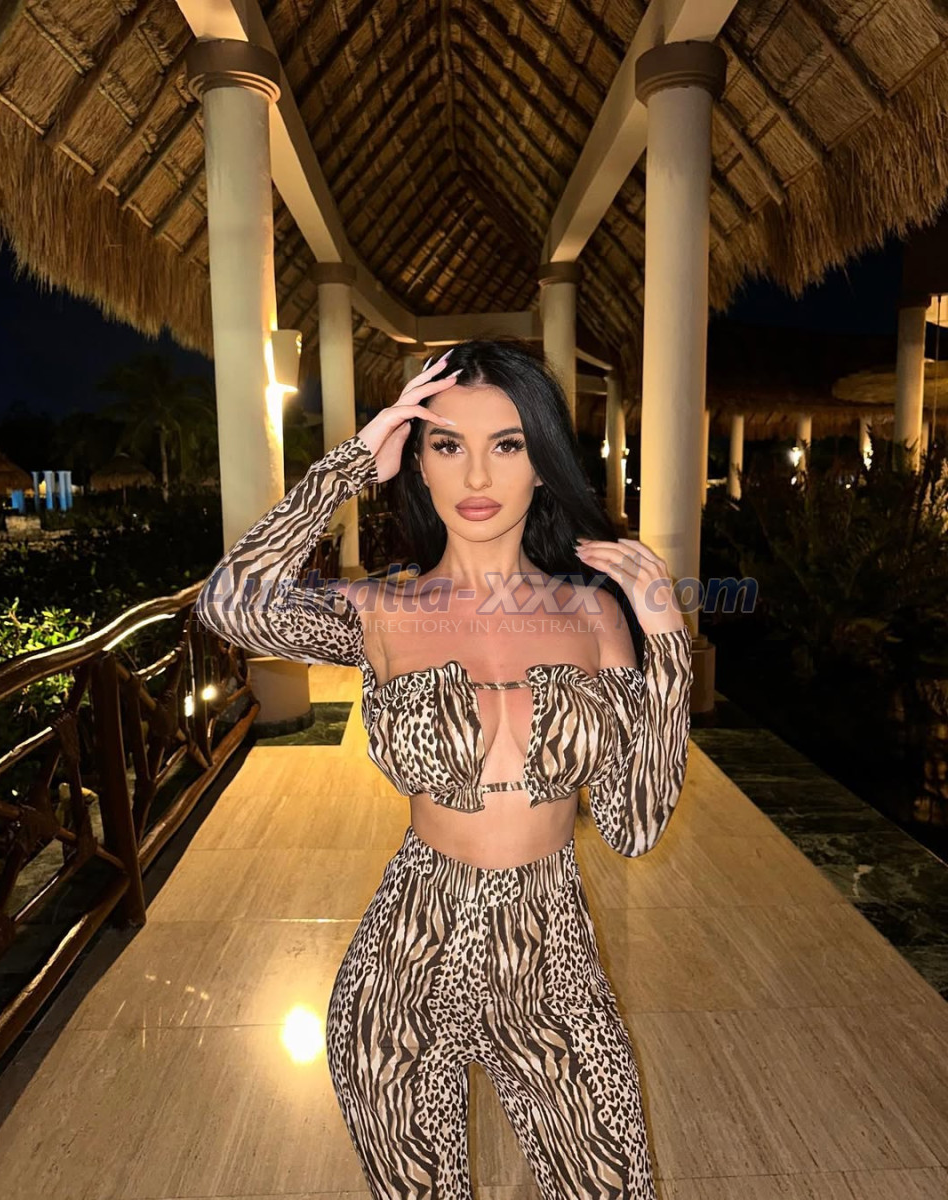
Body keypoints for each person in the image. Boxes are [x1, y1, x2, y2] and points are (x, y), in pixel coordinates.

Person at [193, 337, 692, 1199]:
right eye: (448, 444)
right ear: (418, 463)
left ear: (543, 464)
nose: (477, 475)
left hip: (551, 955)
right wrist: (354, 462)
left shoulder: (596, 616)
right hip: (404, 957)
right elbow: (229, 603)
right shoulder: (382, 610)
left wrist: (669, 646)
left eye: (508, 444)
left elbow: (634, 827)